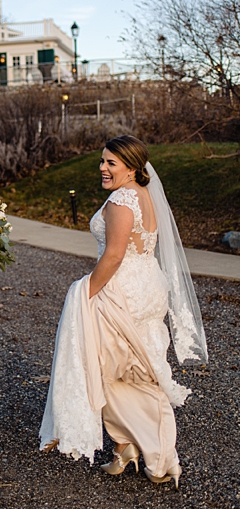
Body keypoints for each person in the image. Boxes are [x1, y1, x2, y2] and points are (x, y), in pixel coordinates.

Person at [39, 135, 207, 487]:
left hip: (121, 292)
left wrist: (87, 291)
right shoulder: (146, 196)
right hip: (147, 286)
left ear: (131, 168)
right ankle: (124, 448)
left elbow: (113, 256)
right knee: (125, 369)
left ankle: (160, 457)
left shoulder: (121, 199)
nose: (102, 167)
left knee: (112, 370)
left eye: (110, 163)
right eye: (102, 161)